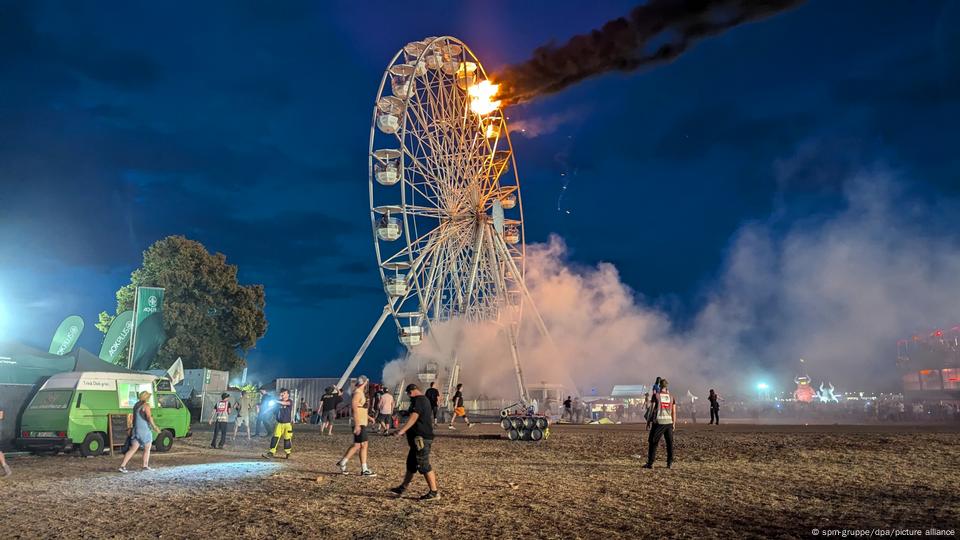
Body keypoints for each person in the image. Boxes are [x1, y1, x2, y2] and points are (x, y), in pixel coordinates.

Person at [391, 384, 439, 501]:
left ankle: (434, 492)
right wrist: (403, 413)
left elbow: (414, 416)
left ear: (411, 391)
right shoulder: (422, 400)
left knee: (424, 464)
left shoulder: (419, 400)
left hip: (421, 438)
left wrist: (402, 431)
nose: (409, 397)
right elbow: (412, 413)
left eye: (408, 394)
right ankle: (403, 487)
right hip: (417, 439)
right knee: (411, 464)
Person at [336, 376, 376, 476]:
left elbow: (360, 409)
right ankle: (364, 469)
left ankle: (343, 462)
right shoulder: (358, 393)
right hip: (359, 423)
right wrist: (357, 424)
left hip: (361, 422)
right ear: (365, 382)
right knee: (364, 445)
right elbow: (354, 407)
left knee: (357, 445)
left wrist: (369, 418)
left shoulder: (360, 392)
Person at [119, 391, 161, 472]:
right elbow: (149, 417)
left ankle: (122, 466)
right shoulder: (146, 405)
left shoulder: (136, 405)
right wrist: (154, 427)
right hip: (144, 429)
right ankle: (145, 465)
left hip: (136, 429)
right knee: (147, 447)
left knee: (133, 449)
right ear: (146, 398)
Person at [642, 378, 676, 469]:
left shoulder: (656, 396)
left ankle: (650, 463)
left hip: (658, 422)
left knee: (653, 442)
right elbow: (674, 412)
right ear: (666, 386)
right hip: (669, 422)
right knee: (669, 443)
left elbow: (651, 410)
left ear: (660, 386)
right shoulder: (672, 397)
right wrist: (674, 423)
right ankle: (669, 463)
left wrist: (648, 422)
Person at [262, 388, 293, 459]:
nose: (282, 394)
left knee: (287, 439)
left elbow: (285, 403)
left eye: (284, 393)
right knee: (275, 438)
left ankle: (288, 452)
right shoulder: (278, 402)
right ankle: (271, 452)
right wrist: (265, 411)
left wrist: (276, 401)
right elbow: (272, 408)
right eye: (282, 393)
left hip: (287, 425)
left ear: (288, 394)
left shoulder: (290, 401)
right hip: (279, 423)